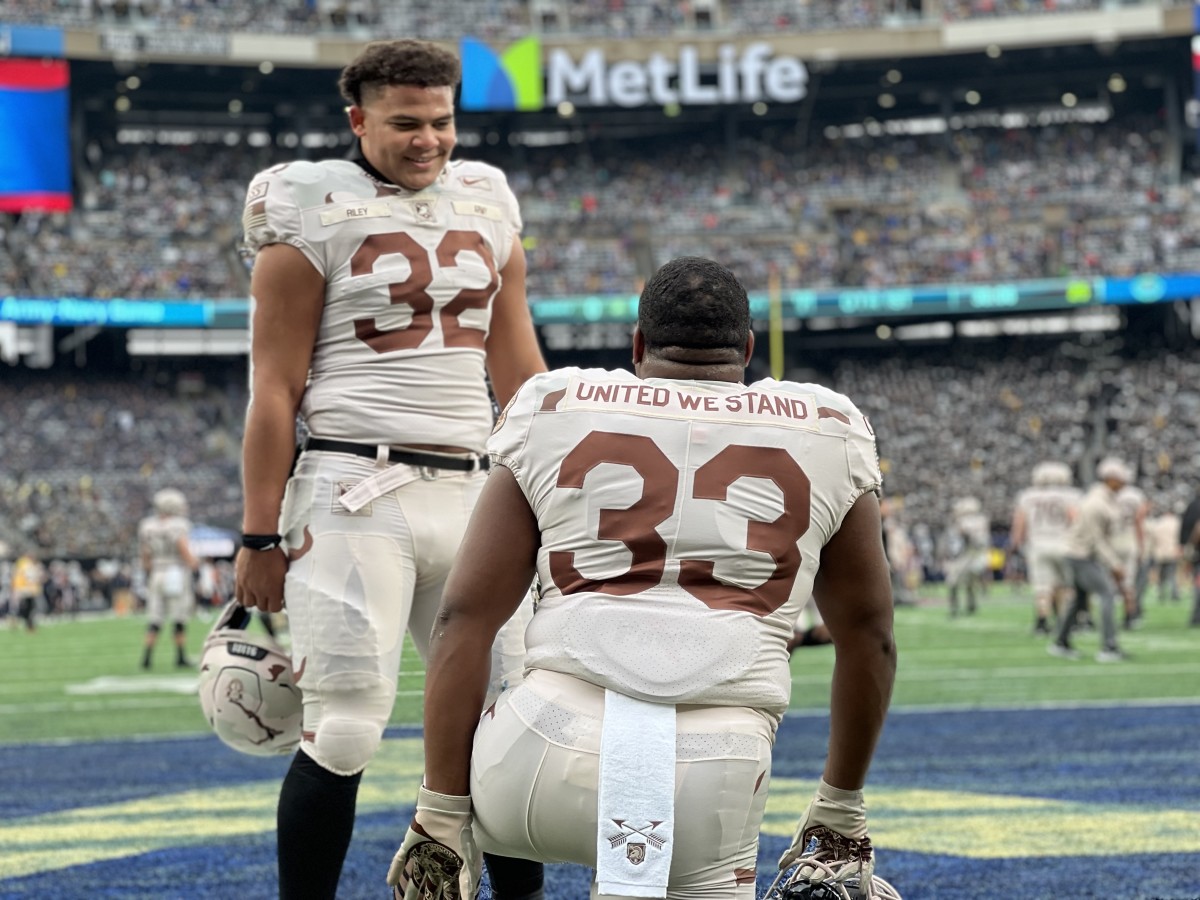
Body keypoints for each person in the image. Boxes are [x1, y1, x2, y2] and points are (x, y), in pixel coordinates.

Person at [387, 257, 898, 900]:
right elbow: (869, 637)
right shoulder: (829, 427)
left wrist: (440, 810)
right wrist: (840, 810)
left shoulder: (554, 404)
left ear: (637, 346)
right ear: (746, 349)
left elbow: (463, 618)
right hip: (715, 770)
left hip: (532, 760)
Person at [232, 39, 548, 900]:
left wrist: (554, 497)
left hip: (477, 490)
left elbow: (521, 374)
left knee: (505, 727)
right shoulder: (309, 205)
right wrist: (259, 531)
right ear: (357, 121)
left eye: (441, 121)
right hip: (352, 492)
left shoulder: (487, 203)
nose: (428, 140)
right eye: (405, 123)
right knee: (343, 729)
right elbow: (275, 389)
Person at [1049, 458, 1131, 662]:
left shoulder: (1102, 499)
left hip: (1079, 553)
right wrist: (1115, 564)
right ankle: (1109, 647)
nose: (1124, 483)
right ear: (1110, 479)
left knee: (1078, 599)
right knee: (1107, 593)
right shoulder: (1096, 503)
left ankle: (1061, 641)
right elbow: (1097, 540)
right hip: (1080, 555)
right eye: (1120, 479)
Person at [1009, 461, 1080, 635]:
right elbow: (1074, 519)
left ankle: (1042, 621)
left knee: (1042, 587)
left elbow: (1019, 522)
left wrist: (1015, 544)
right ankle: (1064, 621)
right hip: (1064, 544)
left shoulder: (1027, 496)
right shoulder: (1071, 495)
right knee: (1066, 585)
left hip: (1038, 545)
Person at [137, 488, 199, 668]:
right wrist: (194, 563)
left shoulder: (147, 525)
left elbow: (145, 555)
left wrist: (148, 571)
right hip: (175, 571)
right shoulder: (179, 524)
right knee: (178, 617)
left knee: (155, 617)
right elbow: (182, 547)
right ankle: (180, 657)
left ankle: (146, 658)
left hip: (156, 571)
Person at [944, 496, 989, 618]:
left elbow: (970, 540)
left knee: (956, 581)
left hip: (968, 554)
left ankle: (959, 606)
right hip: (970, 554)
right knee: (965, 582)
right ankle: (968, 605)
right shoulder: (979, 520)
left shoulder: (969, 521)